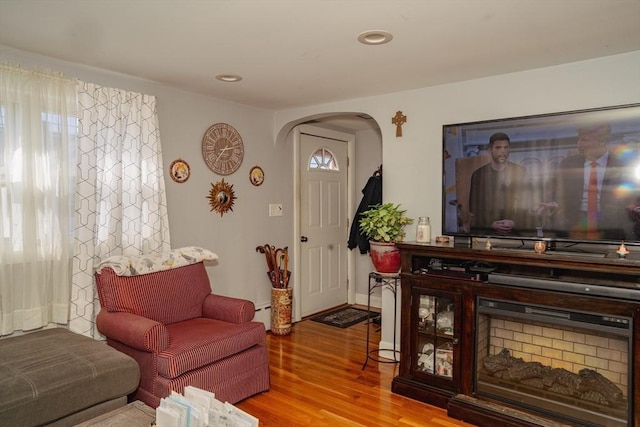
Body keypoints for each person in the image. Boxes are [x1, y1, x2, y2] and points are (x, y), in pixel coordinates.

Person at [539, 123, 637, 240]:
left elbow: (632, 197)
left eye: (584, 140)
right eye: (578, 139)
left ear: (602, 141)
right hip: (574, 223)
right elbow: (559, 193)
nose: (579, 144)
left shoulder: (622, 165)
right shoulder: (568, 164)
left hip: (611, 225)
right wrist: (554, 204)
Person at [468, 132, 528, 234]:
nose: (502, 151)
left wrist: (514, 222)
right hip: (487, 229)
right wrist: (490, 224)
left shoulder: (520, 171)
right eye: (498, 148)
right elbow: (473, 207)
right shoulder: (478, 174)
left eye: (506, 147)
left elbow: (526, 202)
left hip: (513, 230)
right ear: (490, 150)